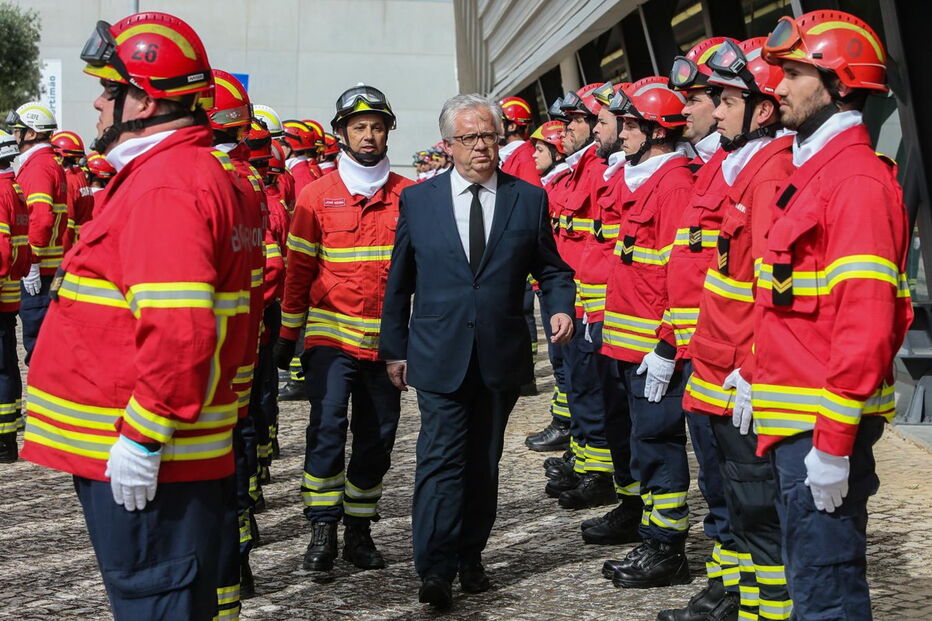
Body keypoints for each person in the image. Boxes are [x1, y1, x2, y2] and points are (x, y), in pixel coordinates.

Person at [20, 12, 259, 619]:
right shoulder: (184, 174)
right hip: (167, 452)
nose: (98, 104)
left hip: (153, 457)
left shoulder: (165, 187)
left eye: (109, 89)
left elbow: (181, 329)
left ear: (144, 101)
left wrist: (144, 436)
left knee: (156, 602)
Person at [379, 94, 576, 610]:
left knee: (483, 462)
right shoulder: (419, 202)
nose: (481, 147)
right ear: (448, 146)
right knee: (440, 458)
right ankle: (435, 567)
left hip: (499, 354)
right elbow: (399, 283)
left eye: (488, 135)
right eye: (469, 138)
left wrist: (560, 307)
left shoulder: (526, 199)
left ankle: (471, 554)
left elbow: (552, 269)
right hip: (438, 352)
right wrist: (394, 349)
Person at [754, 11, 911, 618]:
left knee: (827, 597)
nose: (778, 86)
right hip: (798, 420)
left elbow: (867, 323)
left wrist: (836, 443)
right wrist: (752, 371)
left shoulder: (855, 183)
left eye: (795, 73)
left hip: (821, 427)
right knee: (811, 584)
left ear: (839, 84)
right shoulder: (817, 172)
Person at [660, 37, 795, 621]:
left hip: (739, 370)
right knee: (730, 498)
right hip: (711, 362)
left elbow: (774, 291)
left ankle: (764, 608)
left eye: (724, 99)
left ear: (761, 109)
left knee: (758, 507)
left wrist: (757, 367)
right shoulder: (730, 163)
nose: (713, 111)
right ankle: (732, 596)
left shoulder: (766, 175)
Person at [275, 84, 412, 574]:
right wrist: (288, 337)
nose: (369, 135)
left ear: (387, 131)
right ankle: (322, 525)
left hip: (386, 345)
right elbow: (298, 273)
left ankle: (359, 527)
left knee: (378, 437)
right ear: (341, 134)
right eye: (359, 127)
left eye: (376, 126)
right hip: (330, 340)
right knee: (327, 428)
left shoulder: (408, 196)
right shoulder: (314, 197)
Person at [598, 77, 696, 589]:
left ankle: (667, 550)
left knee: (658, 444)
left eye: (632, 124)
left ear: (658, 132)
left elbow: (683, 276)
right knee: (642, 442)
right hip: (624, 342)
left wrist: (666, 345)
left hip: (653, 349)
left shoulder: (676, 185)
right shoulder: (640, 176)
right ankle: (651, 537)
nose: (623, 131)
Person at [207, 68, 270, 600]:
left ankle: (232, 563)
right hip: (243, 344)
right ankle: (240, 556)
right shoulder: (246, 178)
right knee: (238, 456)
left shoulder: (216, 181)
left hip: (217, 355)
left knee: (226, 464)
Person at [4, 102, 66, 364]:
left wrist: (33, 260)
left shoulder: (39, 166)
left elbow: (40, 218)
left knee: (38, 345)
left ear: (31, 133)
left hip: (40, 271)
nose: (14, 136)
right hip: (47, 268)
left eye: (18, 130)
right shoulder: (47, 162)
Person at [0, 131, 31, 463]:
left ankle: (4, 439)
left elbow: (1, 249)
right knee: (6, 366)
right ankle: (7, 435)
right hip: (9, 295)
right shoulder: (15, 190)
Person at [50, 131, 94, 249]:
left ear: (60, 157)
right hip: (82, 244)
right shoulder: (80, 177)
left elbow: (67, 226)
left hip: (70, 248)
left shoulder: (68, 181)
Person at [498, 96, 541, 186]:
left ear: (512, 127)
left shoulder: (526, 159)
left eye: (499, 122)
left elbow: (534, 197)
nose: (493, 127)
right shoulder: (512, 156)